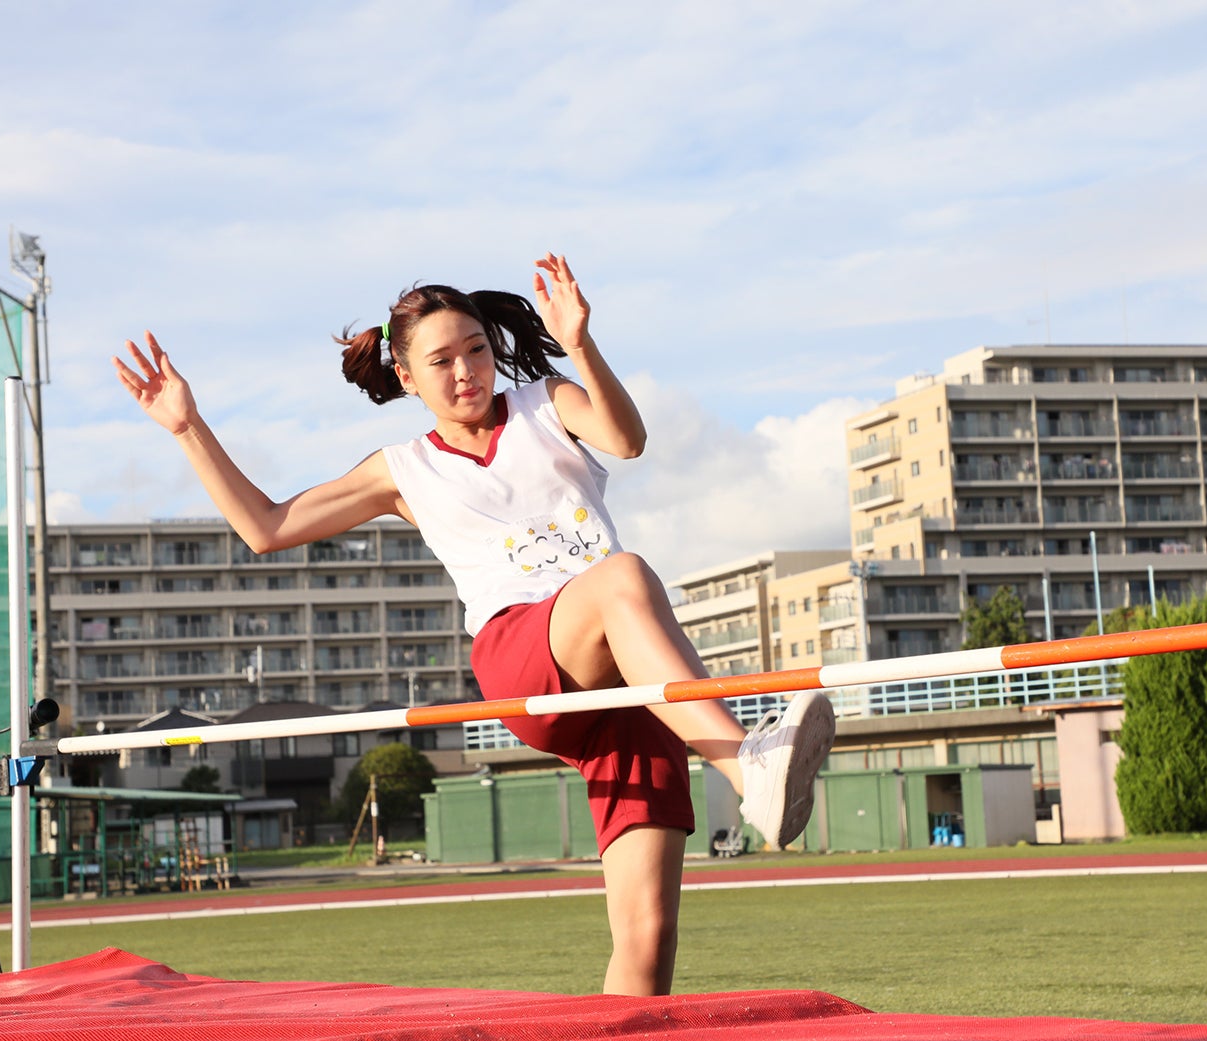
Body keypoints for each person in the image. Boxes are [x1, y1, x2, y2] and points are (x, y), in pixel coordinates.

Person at [114, 253, 835, 996]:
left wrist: (580, 344)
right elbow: (265, 526)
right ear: (405, 376)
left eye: (477, 350)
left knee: (646, 943)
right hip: (525, 653)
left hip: (636, 684)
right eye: (442, 360)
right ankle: (750, 767)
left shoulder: (546, 402)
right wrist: (188, 426)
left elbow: (628, 439)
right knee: (624, 576)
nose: (466, 372)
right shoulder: (403, 467)